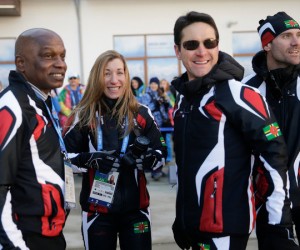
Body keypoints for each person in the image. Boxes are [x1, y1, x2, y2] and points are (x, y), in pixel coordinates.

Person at [171, 11, 298, 250]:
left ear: (218, 47)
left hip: (226, 229)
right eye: (191, 44)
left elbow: (274, 156)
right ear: (178, 50)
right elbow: (186, 169)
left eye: (209, 43)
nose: (201, 51)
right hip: (193, 229)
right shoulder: (183, 101)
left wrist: (277, 221)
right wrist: (182, 218)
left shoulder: (240, 95)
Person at [63, 50, 167, 250]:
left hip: (137, 210)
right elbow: (62, 158)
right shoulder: (83, 114)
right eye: (107, 73)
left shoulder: (141, 112)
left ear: (126, 76)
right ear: (97, 77)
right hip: (97, 212)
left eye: (119, 73)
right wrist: (89, 159)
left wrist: (147, 160)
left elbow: (161, 153)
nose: (114, 80)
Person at [0, 28, 69, 250]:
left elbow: (37, 159)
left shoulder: (42, 101)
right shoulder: (12, 106)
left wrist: (86, 159)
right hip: (25, 238)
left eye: (62, 55)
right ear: (21, 63)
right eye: (49, 56)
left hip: (50, 234)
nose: (61, 64)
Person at [242, 12, 300, 249]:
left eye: (298, 35)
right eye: (286, 36)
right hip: (268, 200)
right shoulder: (247, 90)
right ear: (267, 43)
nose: (296, 42)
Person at [140, 76, 171, 180]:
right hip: (151, 125)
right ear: (150, 84)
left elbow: (167, 109)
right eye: (152, 83)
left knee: (161, 147)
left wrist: (166, 104)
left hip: (162, 125)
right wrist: (155, 104)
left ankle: (159, 169)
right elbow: (144, 108)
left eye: (155, 84)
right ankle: (153, 170)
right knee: (153, 147)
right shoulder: (146, 95)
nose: (154, 85)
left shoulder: (161, 93)